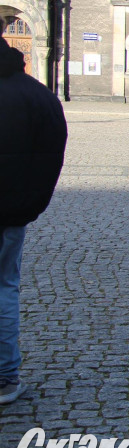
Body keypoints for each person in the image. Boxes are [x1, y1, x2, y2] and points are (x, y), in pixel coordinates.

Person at [0, 35, 67, 405]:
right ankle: (5, 378)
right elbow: (52, 150)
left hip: (12, 211)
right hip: (11, 213)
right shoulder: (37, 95)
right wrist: (30, 203)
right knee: (4, 288)